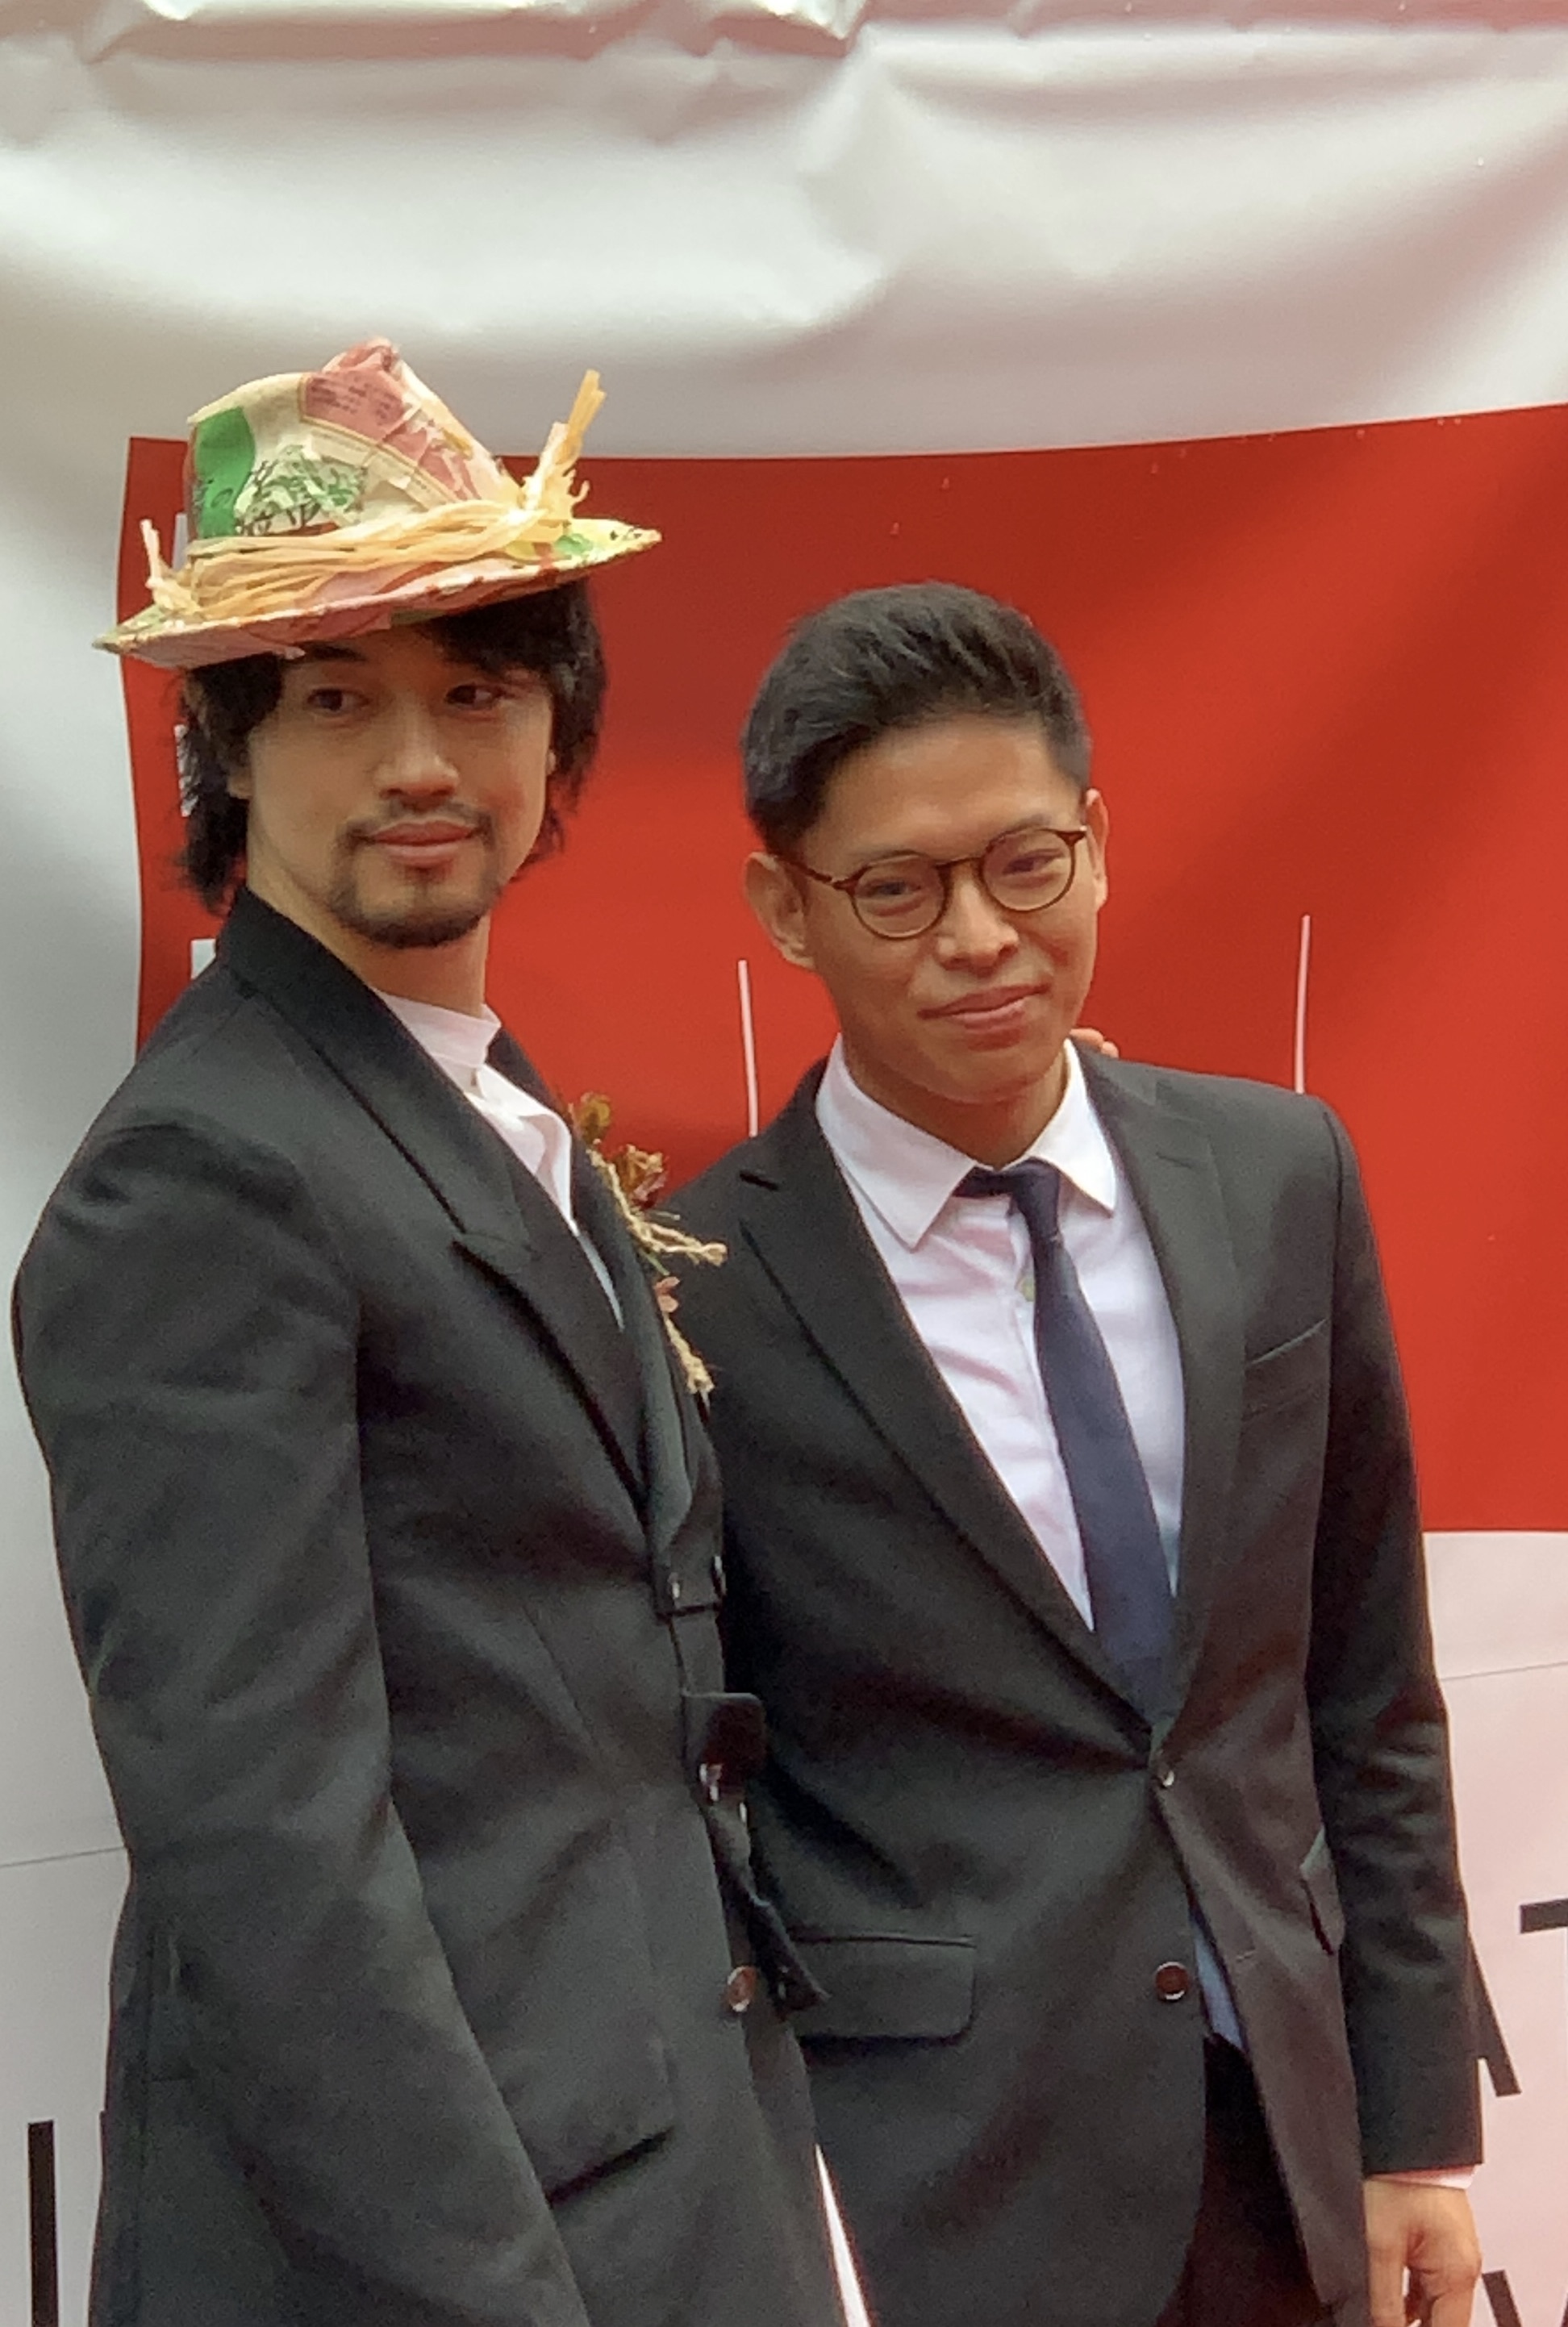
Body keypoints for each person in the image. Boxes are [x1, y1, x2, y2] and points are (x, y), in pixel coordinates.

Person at [11, 340, 844, 2327]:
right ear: (227, 751)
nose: (419, 761)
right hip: (446, 2245)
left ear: (557, 742)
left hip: (661, 2159)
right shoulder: (204, 1172)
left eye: (478, 691)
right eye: (335, 698)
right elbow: (267, 1855)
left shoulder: (477, 1099)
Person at [671, 582, 1483, 2327]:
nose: (979, 936)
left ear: (1097, 845)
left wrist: (1414, 2125)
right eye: (898, 888)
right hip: (936, 2191)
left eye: (1025, 863)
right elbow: (689, 1792)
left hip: (1289, 2142)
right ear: (787, 908)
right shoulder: (691, 1286)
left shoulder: (1280, 1175)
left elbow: (1367, 1683)